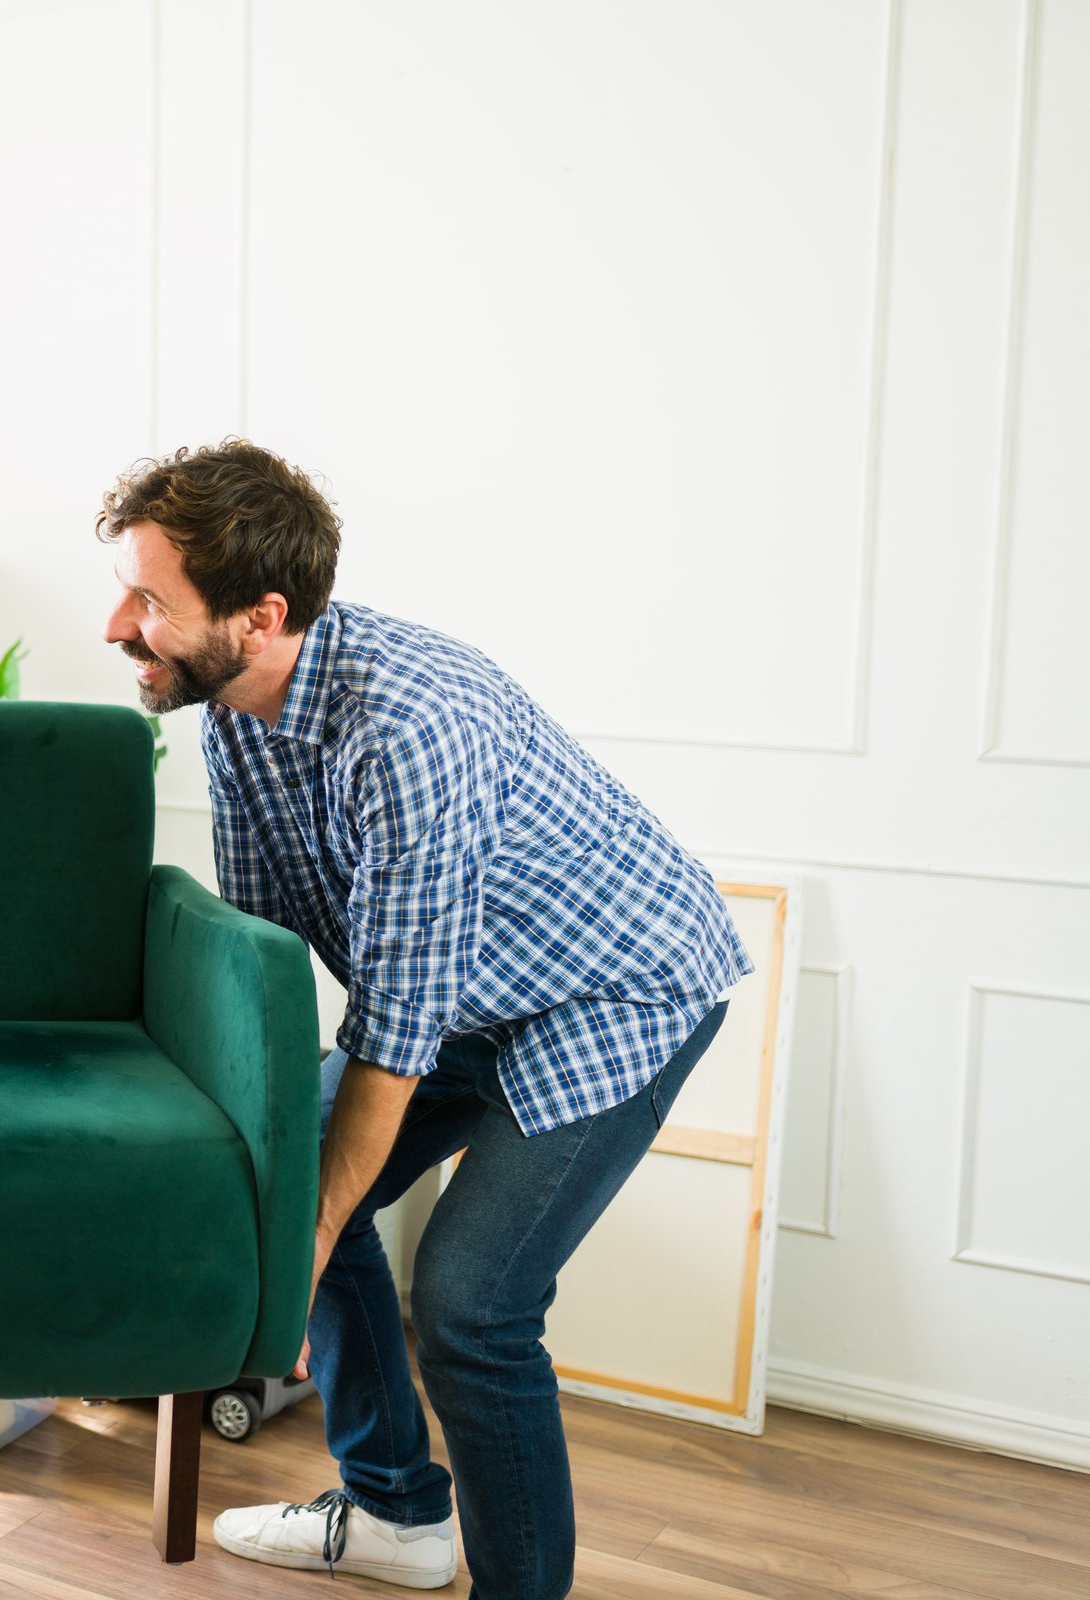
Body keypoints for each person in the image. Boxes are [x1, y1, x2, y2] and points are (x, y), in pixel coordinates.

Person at [97, 440, 749, 1599]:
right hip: (465, 993)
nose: (116, 625)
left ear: (262, 615)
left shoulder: (408, 728)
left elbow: (395, 1036)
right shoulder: (237, 712)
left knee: (471, 1304)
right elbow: (264, 959)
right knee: (302, 1178)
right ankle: (396, 1512)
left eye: (150, 600)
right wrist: (245, 1183)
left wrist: (290, 1260)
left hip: (614, 990)